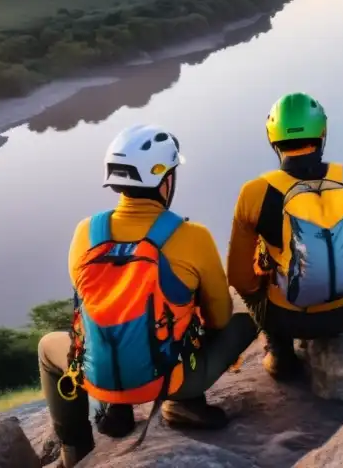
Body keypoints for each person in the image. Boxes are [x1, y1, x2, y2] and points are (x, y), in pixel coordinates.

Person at [39, 125, 258, 468]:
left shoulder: (85, 232)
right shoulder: (193, 237)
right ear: (164, 181)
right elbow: (218, 318)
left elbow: (94, 307)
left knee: (47, 348)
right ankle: (186, 403)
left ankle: (78, 447)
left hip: (100, 379)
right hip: (171, 379)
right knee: (243, 321)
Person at [226, 93, 343, 380]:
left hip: (289, 318)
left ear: (272, 139)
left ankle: (280, 354)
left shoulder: (255, 191)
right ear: (322, 133)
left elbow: (239, 279)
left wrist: (266, 274)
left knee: (256, 277)